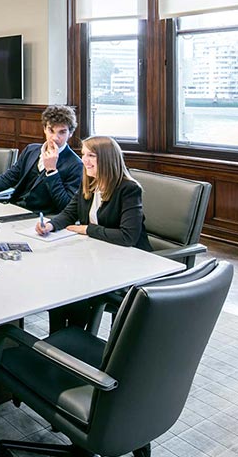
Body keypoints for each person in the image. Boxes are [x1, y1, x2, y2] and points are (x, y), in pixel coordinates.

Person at [34, 135, 151, 332]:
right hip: (98, 253)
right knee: (60, 282)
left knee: (73, 284)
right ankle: (62, 337)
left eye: (91, 156)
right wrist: (51, 226)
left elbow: (127, 237)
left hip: (128, 261)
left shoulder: (129, 189)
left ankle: (75, 335)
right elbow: (70, 212)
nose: (85, 160)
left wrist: (87, 229)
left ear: (106, 159)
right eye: (83, 155)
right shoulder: (89, 182)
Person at [0, 104, 82, 214]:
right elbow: (8, 178)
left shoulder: (76, 165)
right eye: (51, 130)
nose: (55, 137)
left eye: (62, 132)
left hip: (41, 218)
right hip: (14, 208)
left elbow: (66, 207)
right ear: (44, 129)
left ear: (70, 133)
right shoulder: (31, 150)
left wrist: (52, 171)